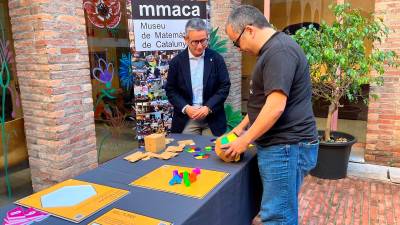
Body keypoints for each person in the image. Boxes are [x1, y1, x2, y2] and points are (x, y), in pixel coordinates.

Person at [223, 5, 319, 225]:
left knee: (278, 215)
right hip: (282, 146)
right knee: (278, 208)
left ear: (249, 30)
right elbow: (264, 100)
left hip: (286, 146)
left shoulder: (279, 52)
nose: (238, 48)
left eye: (236, 42)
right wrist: (242, 126)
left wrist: (244, 141)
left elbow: (275, 107)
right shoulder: (272, 50)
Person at [166, 18, 231, 136]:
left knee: (212, 151)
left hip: (213, 117)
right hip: (187, 118)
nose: (200, 46)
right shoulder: (177, 62)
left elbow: (224, 86)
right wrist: (186, 108)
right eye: (195, 42)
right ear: (186, 39)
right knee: (185, 150)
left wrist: (208, 107)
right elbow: (171, 90)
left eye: (203, 41)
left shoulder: (216, 59)